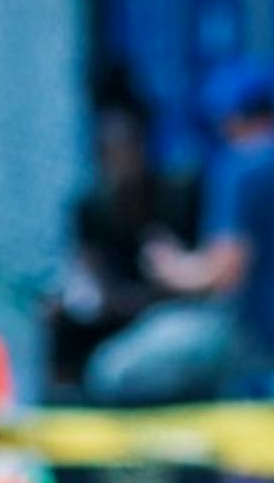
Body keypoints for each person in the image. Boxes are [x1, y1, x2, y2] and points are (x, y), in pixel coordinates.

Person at [84, 58, 274, 406]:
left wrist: (170, 266)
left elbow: (222, 274)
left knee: (114, 371)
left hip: (261, 339)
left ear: (233, 118)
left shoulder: (242, 170)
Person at [40, 65, 201, 400]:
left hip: (164, 308)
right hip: (115, 304)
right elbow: (88, 270)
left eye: (130, 150)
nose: (123, 163)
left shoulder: (177, 197)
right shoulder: (92, 207)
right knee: (58, 317)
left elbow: (190, 273)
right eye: (113, 154)